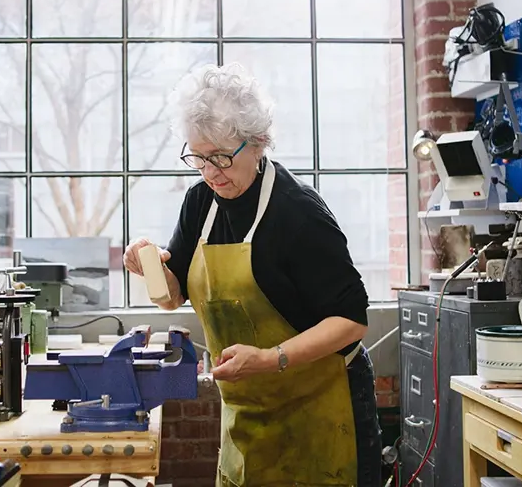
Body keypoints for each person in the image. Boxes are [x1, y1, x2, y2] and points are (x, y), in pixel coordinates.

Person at [124, 63, 381, 486]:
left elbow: (351, 321)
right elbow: (173, 296)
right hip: (248, 409)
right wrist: (149, 264)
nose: (210, 172)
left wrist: (269, 358)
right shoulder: (200, 203)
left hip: (323, 402)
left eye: (221, 157)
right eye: (199, 158)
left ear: (258, 142)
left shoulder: (297, 212)